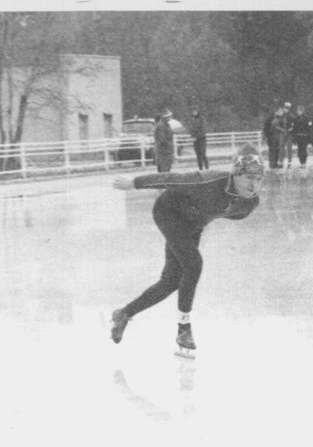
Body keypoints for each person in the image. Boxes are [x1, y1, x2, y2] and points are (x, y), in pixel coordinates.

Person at [109, 144, 265, 356]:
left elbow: (227, 213)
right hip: (168, 212)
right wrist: (135, 183)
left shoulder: (249, 204)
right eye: (249, 178)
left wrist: (199, 221)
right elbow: (171, 178)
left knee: (172, 280)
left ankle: (124, 313)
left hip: (193, 224)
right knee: (194, 265)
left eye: (258, 179)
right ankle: (184, 329)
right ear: (236, 175)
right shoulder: (210, 180)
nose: (254, 184)